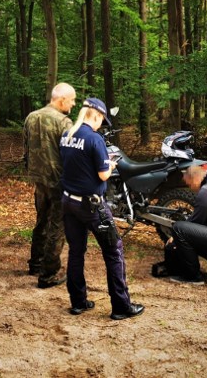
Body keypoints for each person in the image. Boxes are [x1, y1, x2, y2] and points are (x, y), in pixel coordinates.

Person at [59, 97, 144, 320]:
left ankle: (78, 302)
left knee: (76, 252)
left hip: (68, 202)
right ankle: (121, 306)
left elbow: (72, 165)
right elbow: (104, 174)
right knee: (114, 251)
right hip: (92, 206)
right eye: (101, 120)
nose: (101, 125)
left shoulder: (66, 135)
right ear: (95, 115)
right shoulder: (95, 139)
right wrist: (111, 164)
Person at [23, 83, 75, 288]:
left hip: (38, 180)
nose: (73, 103)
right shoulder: (63, 122)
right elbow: (72, 154)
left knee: (41, 220)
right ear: (61, 99)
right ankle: (48, 274)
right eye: (72, 99)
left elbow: (26, 148)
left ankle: (35, 263)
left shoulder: (31, 117)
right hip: (58, 181)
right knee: (57, 225)